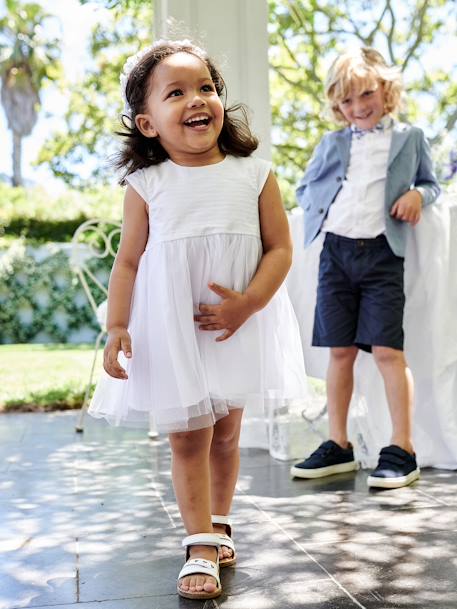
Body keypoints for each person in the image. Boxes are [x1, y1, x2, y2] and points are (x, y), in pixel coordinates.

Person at [88, 39, 307, 600]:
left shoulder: (254, 175)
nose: (197, 99)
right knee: (189, 437)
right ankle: (199, 542)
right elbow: (128, 261)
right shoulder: (147, 186)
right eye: (177, 92)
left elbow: (280, 248)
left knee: (228, 433)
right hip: (172, 329)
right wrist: (117, 326)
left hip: (233, 320)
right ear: (147, 122)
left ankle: (219, 520)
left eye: (206, 87)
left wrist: (249, 302)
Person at [290, 47, 440, 489]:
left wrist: (417, 196)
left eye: (366, 95)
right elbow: (306, 186)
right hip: (335, 254)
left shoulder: (410, 138)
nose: (358, 108)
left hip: (381, 255)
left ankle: (402, 448)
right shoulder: (332, 143)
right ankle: (338, 444)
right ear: (337, 106)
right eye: (347, 102)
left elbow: (430, 183)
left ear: (386, 90)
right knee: (339, 351)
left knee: (389, 352)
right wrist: (322, 208)